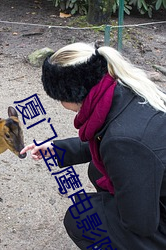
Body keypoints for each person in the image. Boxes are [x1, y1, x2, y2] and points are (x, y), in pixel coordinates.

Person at [20, 42, 166, 249]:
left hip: (155, 220)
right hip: (156, 182)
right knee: (97, 170)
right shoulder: (126, 88)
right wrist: (58, 149)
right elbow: (108, 139)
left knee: (81, 218)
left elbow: (141, 224)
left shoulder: (123, 143)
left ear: (71, 93)